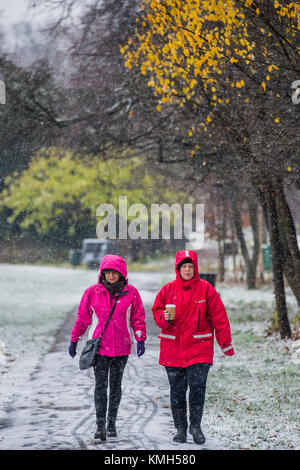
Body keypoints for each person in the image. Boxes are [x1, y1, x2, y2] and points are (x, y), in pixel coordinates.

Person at [152, 250, 234, 445]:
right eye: (184, 267)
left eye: (190, 267)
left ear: (195, 268)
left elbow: (219, 317)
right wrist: (164, 318)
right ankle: (180, 428)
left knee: (197, 388)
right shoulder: (167, 290)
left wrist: (225, 343)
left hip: (199, 347)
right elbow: (157, 311)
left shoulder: (206, 289)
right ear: (178, 269)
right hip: (173, 348)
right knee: (177, 391)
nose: (187, 270)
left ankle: (195, 427)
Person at [68, 254, 146, 441]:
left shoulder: (132, 293)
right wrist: (74, 339)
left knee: (116, 386)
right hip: (100, 348)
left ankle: (112, 423)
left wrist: (140, 337)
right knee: (101, 386)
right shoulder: (92, 292)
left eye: (115, 272)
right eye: (108, 272)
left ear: (122, 274)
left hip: (122, 347)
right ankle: (100, 424)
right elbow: (83, 319)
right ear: (102, 273)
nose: (111, 276)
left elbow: (138, 317)